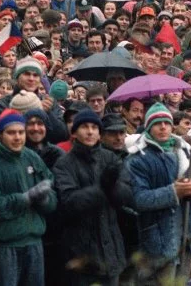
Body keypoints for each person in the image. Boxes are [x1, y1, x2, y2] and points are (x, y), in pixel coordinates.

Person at [0, 109, 56, 286]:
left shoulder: (32, 158)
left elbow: (51, 193)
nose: (17, 137)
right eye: (11, 132)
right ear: (0, 135)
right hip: (3, 247)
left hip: (34, 242)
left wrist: (46, 201)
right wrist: (26, 198)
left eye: (21, 132)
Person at [126, 102, 191, 271]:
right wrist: (174, 192)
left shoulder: (183, 150)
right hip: (158, 241)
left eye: (167, 123)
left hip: (188, 234)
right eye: (157, 123)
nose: (163, 127)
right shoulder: (137, 158)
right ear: (149, 127)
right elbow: (139, 199)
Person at [52, 108, 133, 286]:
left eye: (94, 128)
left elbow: (126, 195)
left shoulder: (110, 158)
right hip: (82, 254)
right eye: (84, 127)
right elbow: (70, 202)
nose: (90, 132)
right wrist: (103, 188)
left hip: (111, 249)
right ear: (74, 133)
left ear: (99, 133)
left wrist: (113, 188)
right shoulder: (64, 164)